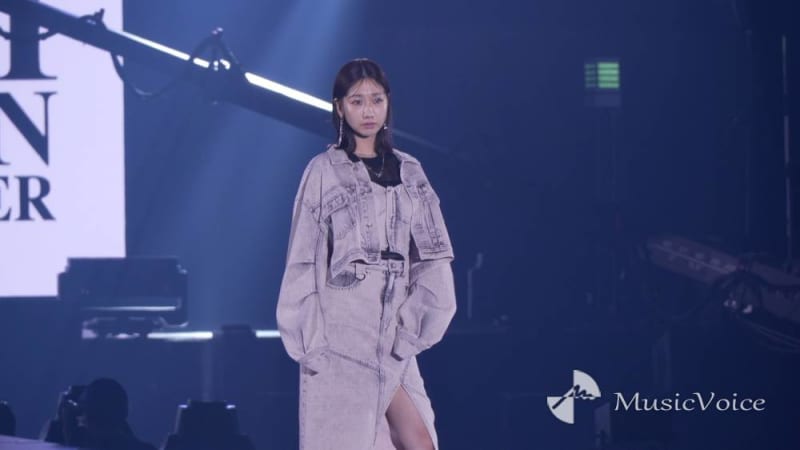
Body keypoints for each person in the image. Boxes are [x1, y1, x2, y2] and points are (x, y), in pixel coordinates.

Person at [276, 58, 457, 450]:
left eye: (376, 99)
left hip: (394, 330)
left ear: (388, 102)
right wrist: (311, 342)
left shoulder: (411, 171)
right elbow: (304, 258)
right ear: (340, 107)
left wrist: (415, 327)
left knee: (420, 440)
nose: (368, 110)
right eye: (357, 101)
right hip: (342, 330)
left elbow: (433, 257)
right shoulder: (323, 171)